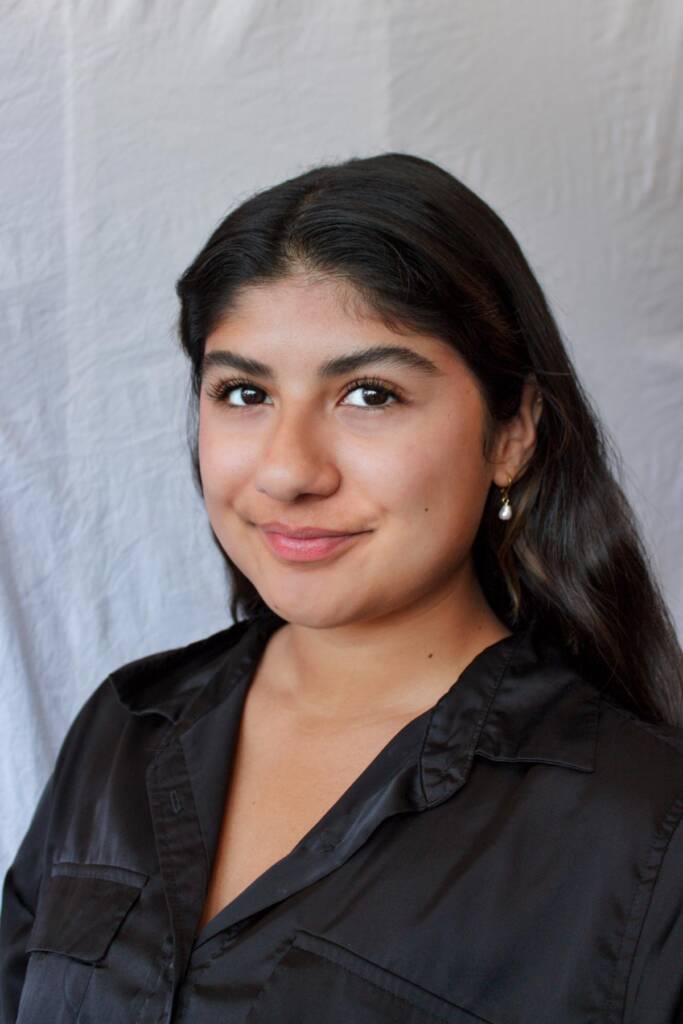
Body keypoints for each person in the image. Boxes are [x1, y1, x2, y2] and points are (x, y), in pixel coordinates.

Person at [1, 153, 682, 1024]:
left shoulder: (642, 830)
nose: (287, 471)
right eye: (243, 392)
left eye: (369, 394)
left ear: (511, 433)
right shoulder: (128, 729)